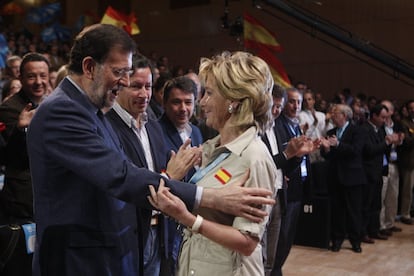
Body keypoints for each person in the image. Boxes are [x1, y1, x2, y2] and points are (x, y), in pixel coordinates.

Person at [26, 24, 274, 276]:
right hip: (78, 262)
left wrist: (173, 190)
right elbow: (121, 176)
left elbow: (248, 240)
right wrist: (209, 197)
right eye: (119, 72)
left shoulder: (94, 111)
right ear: (89, 67)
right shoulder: (63, 111)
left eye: (208, 93)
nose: (124, 81)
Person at [149, 51, 278, 275]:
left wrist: (188, 218)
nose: (202, 102)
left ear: (233, 102)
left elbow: (247, 242)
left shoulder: (254, 156)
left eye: (209, 93)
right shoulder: (212, 149)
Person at [106, 53, 199, 275]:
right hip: (127, 235)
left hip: (161, 232)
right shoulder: (107, 126)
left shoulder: (152, 125)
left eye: (148, 86)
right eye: (136, 86)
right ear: (120, 86)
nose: (144, 94)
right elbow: (125, 184)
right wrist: (171, 175)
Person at [0, 52, 50, 276]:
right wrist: (21, 131)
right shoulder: (9, 109)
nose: (38, 82)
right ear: (21, 77)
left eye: (43, 75)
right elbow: (7, 156)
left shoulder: (53, 104)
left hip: (52, 200)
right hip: (23, 203)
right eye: (31, 76)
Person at [261, 85, 316, 275]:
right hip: (262, 195)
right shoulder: (257, 130)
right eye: (273, 106)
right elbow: (263, 164)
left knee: (274, 251)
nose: (275, 111)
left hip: (279, 193)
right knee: (259, 252)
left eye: (278, 106)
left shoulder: (276, 127)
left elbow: (284, 165)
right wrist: (288, 154)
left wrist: (299, 155)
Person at [320, 104, 366, 253]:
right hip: (335, 177)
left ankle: (355, 241)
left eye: (336, 113)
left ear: (345, 116)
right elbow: (327, 156)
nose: (332, 115)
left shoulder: (357, 130)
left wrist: (338, 144)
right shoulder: (331, 131)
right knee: (337, 211)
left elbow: (356, 151)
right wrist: (326, 148)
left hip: (353, 177)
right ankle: (337, 240)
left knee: (354, 211)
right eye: (332, 113)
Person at [380, 100, 404, 234]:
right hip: (383, 164)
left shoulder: (397, 125)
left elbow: (403, 141)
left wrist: (399, 140)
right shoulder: (379, 126)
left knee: (393, 195)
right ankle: (381, 225)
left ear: (392, 112)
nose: (384, 110)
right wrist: (389, 141)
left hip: (395, 163)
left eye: (387, 108)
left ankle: (390, 222)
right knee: (381, 195)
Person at [399, 99, 414, 225]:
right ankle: (405, 213)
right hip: (409, 161)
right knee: (407, 189)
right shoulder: (404, 123)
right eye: (411, 109)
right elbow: (407, 142)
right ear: (407, 110)